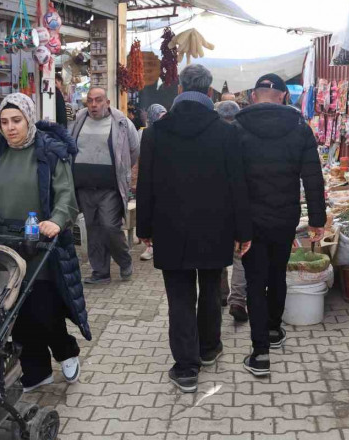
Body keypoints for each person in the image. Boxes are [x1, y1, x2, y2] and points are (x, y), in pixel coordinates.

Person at [137, 64, 252, 393]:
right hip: (215, 226)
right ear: (209, 92)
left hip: (170, 227)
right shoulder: (227, 132)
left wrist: (144, 227)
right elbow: (238, 186)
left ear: (178, 89)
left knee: (179, 296)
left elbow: (145, 184)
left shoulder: (156, 132)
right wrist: (243, 231)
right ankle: (209, 348)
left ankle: (186, 368)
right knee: (212, 289)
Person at [0, 93, 90, 391]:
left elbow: (65, 195)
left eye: (16, 121)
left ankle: (65, 350)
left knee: (43, 309)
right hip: (2, 243)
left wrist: (56, 221)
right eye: (4, 122)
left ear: (29, 120)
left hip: (40, 243)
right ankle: (36, 371)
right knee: (14, 311)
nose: (10, 128)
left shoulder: (48, 152)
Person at [234, 74, 326, 377]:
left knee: (255, 281)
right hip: (285, 216)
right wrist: (317, 221)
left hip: (249, 220)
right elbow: (313, 178)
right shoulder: (299, 128)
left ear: (253, 95)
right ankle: (273, 330)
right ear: (284, 96)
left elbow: (228, 180)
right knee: (277, 273)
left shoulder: (237, 128)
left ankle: (260, 353)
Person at [69, 87, 140, 285]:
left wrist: (121, 170)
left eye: (98, 100)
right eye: (90, 101)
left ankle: (124, 261)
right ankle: (100, 272)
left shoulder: (122, 122)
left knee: (110, 226)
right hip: (84, 186)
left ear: (107, 102)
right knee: (93, 229)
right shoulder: (78, 120)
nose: (93, 105)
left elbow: (134, 150)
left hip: (110, 187)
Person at [213, 100, 248, 322]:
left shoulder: (211, 135)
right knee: (240, 254)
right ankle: (237, 300)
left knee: (218, 254)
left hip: (215, 205)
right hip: (240, 203)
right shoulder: (244, 135)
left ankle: (221, 295)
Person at [136, 103, 167, 262]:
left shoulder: (168, 132)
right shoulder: (146, 134)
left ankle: (154, 245)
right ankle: (151, 245)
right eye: (160, 116)